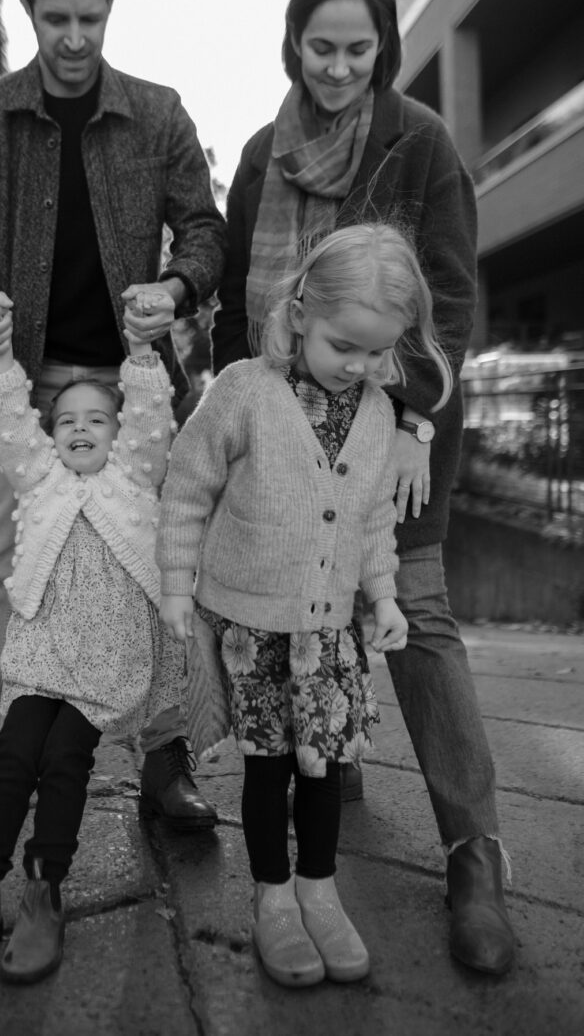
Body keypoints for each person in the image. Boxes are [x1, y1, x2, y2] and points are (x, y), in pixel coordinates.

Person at [210, 0, 514, 976]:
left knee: (417, 614)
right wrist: (236, 419)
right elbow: (234, 317)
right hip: (286, 432)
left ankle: (474, 849)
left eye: (358, 48)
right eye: (319, 46)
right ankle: (323, 780)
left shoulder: (420, 145)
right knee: (291, 607)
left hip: (396, 421)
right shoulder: (262, 152)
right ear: (292, 42)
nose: (337, 68)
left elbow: (454, 299)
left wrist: (425, 420)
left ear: (383, 47)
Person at [0, 0, 224, 846]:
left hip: (132, 383)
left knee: (154, 566)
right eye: (54, 20)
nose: (73, 39)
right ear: (29, 11)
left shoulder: (157, 113)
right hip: (23, 377)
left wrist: (176, 284)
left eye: (89, 18)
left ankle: (166, 757)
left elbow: (204, 229)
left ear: (110, 7)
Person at [157, 223, 452, 987]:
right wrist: (175, 587)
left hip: (329, 634)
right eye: (343, 345)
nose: (359, 366)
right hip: (254, 629)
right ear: (297, 317)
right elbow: (188, 489)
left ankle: (320, 890)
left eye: (377, 352)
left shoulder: (380, 413)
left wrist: (384, 595)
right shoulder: (243, 393)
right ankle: (274, 896)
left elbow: (373, 518)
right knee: (269, 769)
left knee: (326, 772)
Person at [0, 292, 188, 989]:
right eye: (67, 419)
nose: (82, 427)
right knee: (15, 756)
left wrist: (140, 354)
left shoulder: (134, 478)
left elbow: (149, 420)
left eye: (97, 419)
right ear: (53, 435)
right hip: (41, 652)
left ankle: (45, 889)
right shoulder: (40, 481)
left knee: (65, 759)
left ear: (116, 433)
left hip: (105, 661)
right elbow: (12, 425)